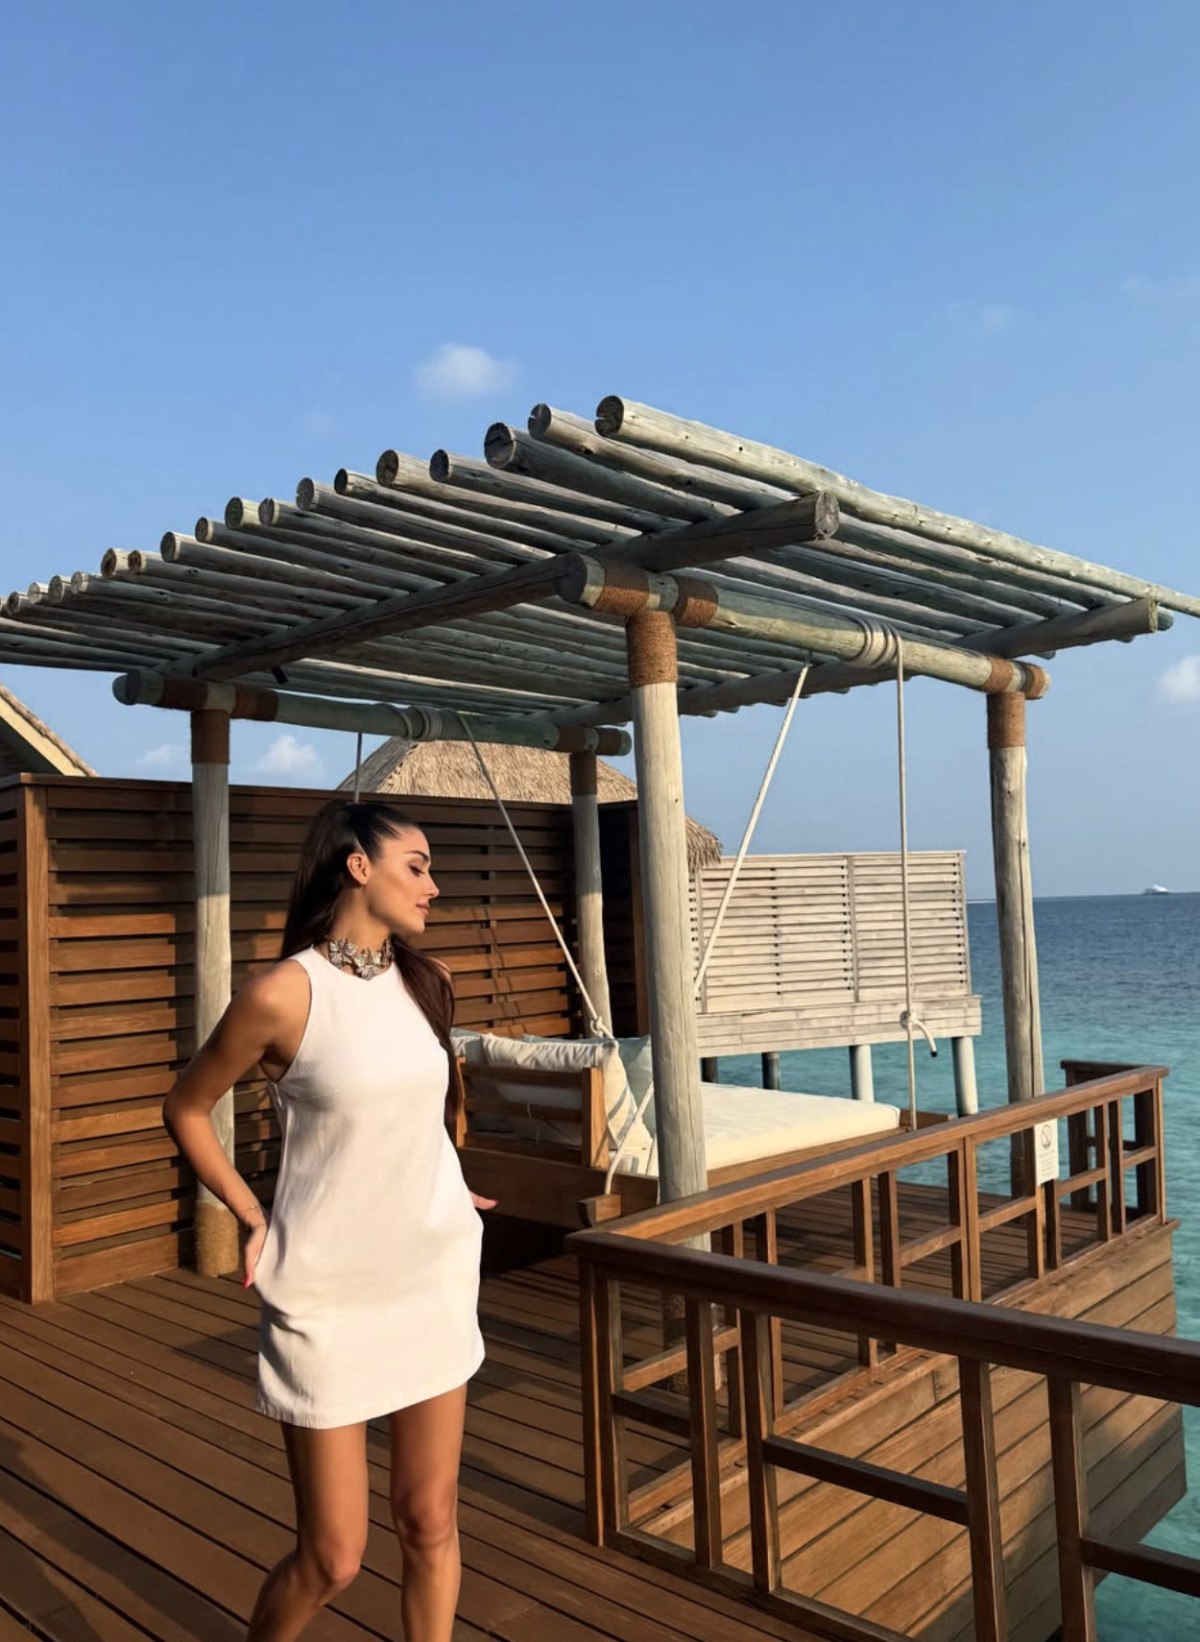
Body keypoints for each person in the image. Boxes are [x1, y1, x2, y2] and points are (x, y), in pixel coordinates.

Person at [163, 798, 494, 1642]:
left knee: (430, 1521)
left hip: (431, 1273)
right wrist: (249, 1212)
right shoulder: (283, 994)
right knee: (334, 1556)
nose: (434, 886)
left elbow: (428, 1110)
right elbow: (187, 1108)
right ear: (358, 867)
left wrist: (447, 1184)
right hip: (328, 1292)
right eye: (417, 866)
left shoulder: (430, 980)